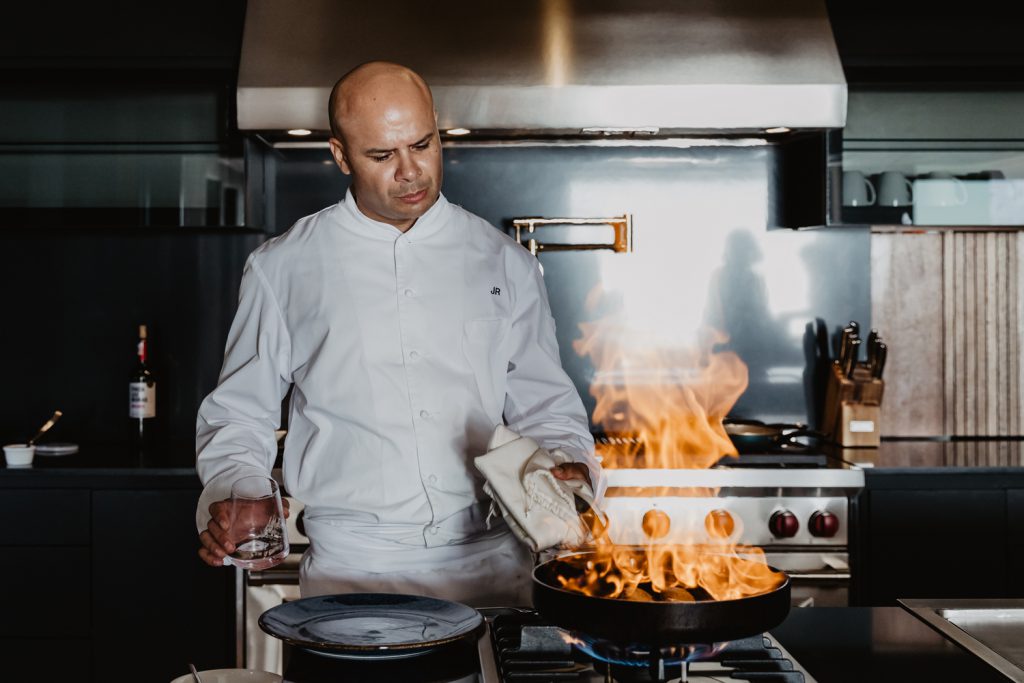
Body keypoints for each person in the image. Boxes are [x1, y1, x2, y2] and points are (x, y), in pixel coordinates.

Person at [194, 61, 601, 606]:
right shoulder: (283, 268)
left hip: (493, 568)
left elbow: (546, 408)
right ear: (340, 155)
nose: (410, 172)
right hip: (353, 571)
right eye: (382, 155)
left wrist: (569, 472)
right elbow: (241, 414)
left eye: (423, 144)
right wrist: (238, 493)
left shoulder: (504, 262)